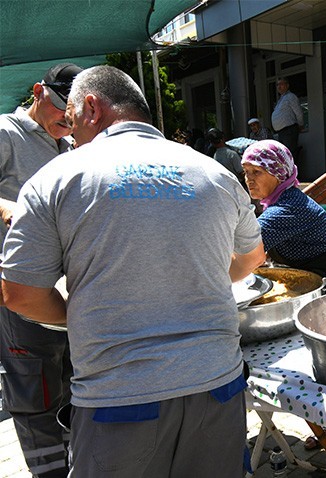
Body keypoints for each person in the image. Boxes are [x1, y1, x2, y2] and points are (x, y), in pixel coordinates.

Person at [1, 65, 266, 477]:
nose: (71, 138)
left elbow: (19, 294)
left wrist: (87, 314)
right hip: (219, 386)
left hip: (118, 402)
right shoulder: (216, 174)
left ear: (91, 107)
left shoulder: (54, 180)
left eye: (72, 123)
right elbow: (251, 259)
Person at [0, 62, 80, 478]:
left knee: (69, 381)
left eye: (72, 118)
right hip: (21, 286)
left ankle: (72, 465)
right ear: (37, 92)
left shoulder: (68, 147)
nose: (65, 123)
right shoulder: (5, 133)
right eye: (58, 111)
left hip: (65, 288)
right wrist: (6, 207)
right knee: (34, 388)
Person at [241, 139, 326, 289]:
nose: (249, 179)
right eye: (246, 171)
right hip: (316, 278)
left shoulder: (288, 208)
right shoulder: (282, 199)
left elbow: (245, 248)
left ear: (279, 173)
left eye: (257, 172)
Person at [270, 77, 303, 154]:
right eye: (277, 84)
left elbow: (298, 112)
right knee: (284, 156)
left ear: (287, 85)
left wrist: (300, 124)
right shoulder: (281, 99)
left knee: (289, 155)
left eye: (281, 84)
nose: (279, 86)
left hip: (289, 131)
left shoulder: (291, 96)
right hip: (282, 132)